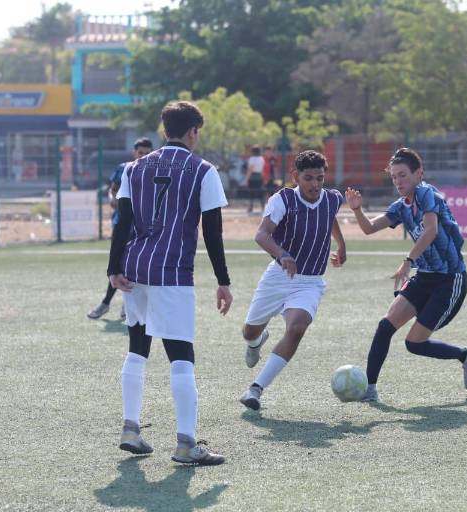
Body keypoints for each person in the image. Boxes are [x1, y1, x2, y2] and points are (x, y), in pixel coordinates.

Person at [107, 101, 232, 465]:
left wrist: (113, 268)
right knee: (181, 356)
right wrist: (223, 280)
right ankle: (186, 443)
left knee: (136, 348)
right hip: (172, 271)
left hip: (134, 268)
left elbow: (123, 221)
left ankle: (130, 428)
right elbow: (212, 232)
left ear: (165, 131)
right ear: (193, 131)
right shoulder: (203, 170)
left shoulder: (134, 168)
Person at [345, 147, 467, 403]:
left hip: (449, 279)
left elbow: (430, 230)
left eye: (403, 175)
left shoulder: (427, 193)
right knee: (385, 326)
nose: (398, 181)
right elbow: (368, 229)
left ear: (419, 173)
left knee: (414, 343)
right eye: (394, 176)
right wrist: (356, 209)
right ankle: (370, 389)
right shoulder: (401, 206)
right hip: (425, 276)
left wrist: (408, 261)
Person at [239, 150, 347, 411]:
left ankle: (256, 389)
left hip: (310, 281)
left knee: (297, 327)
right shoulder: (283, 199)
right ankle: (256, 341)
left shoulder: (333, 198)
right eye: (309, 178)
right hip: (279, 276)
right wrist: (283, 254)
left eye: (320, 178)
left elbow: (330, 217)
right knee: (249, 331)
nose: (315, 184)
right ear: (295, 176)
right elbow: (262, 235)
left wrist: (341, 245)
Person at [87, 138, 154, 320]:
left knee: (134, 265)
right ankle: (107, 303)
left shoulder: (155, 172)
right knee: (118, 264)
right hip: (123, 224)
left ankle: (124, 304)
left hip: (142, 226)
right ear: (134, 153)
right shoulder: (124, 168)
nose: (144, 157)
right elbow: (113, 188)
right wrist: (112, 197)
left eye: (148, 153)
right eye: (141, 153)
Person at [245, 145, 266, 213]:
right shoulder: (261, 159)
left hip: (253, 177)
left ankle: (250, 208)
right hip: (259, 176)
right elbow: (262, 170)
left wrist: (247, 179)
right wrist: (263, 178)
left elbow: (250, 170)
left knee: (251, 193)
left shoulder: (252, 159)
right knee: (260, 193)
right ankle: (263, 207)